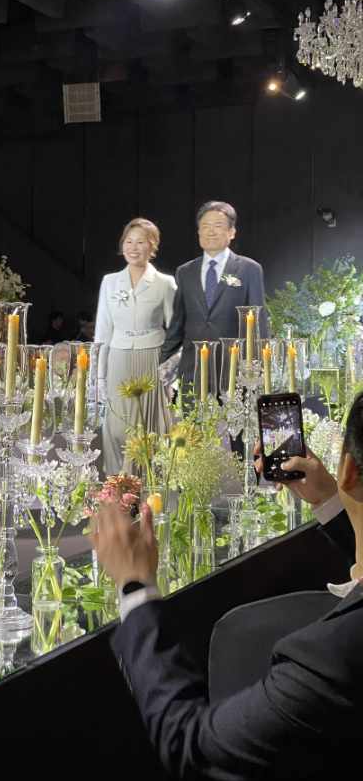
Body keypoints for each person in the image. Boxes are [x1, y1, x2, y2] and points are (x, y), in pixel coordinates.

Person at [92, 392, 363, 781]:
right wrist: (331, 500)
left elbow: (193, 748)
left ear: (349, 470)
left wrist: (135, 589)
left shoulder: (332, 656)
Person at [94, 217, 176, 476]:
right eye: (129, 241)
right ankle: (118, 487)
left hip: (152, 361)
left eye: (140, 242)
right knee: (117, 427)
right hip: (118, 359)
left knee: (150, 430)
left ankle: (152, 489)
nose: (133, 247)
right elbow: (102, 331)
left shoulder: (165, 283)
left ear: (152, 246)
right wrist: (99, 376)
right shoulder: (110, 282)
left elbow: (176, 333)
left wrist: (171, 375)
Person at [160, 201, 268, 391]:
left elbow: (258, 324)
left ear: (232, 232)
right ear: (198, 232)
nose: (210, 231)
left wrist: (260, 369)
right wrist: (162, 362)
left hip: (233, 369)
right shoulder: (185, 272)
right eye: (205, 226)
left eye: (218, 226)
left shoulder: (249, 269)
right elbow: (177, 323)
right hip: (192, 368)